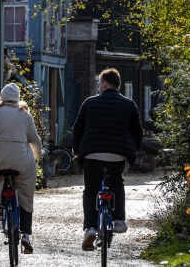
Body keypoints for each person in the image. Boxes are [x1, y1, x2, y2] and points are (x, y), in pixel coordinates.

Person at [72, 68, 143, 251]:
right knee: (117, 182)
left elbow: (77, 129)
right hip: (117, 154)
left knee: (90, 190)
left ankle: (90, 228)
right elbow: (137, 132)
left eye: (98, 84)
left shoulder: (89, 102)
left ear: (104, 84)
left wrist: (76, 150)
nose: (98, 87)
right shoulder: (129, 104)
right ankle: (118, 220)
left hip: (91, 154)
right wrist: (131, 151)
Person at [0, 83, 43, 254]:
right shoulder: (25, 114)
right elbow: (34, 139)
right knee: (26, 195)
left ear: (2, 97)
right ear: (17, 99)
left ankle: (0, 206)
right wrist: (36, 157)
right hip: (21, 160)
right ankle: (26, 235)